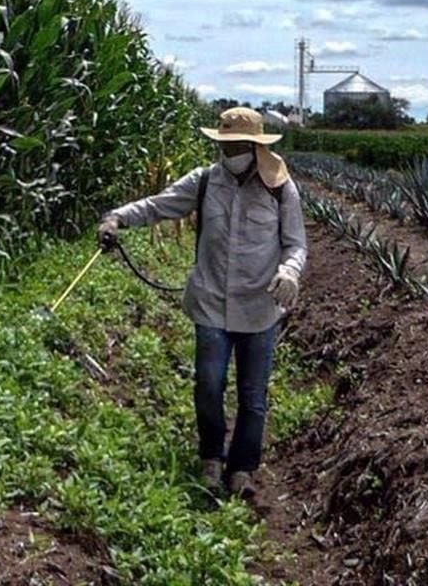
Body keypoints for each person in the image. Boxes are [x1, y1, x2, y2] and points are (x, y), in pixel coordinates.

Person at [98, 107, 307, 499]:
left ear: (254, 144)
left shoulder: (280, 188)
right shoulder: (206, 181)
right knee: (208, 384)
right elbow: (159, 204)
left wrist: (290, 271)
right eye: (224, 144)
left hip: (260, 307)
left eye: (238, 144)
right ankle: (211, 456)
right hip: (211, 300)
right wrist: (117, 219)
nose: (230, 151)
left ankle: (243, 468)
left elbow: (296, 243)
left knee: (253, 395)